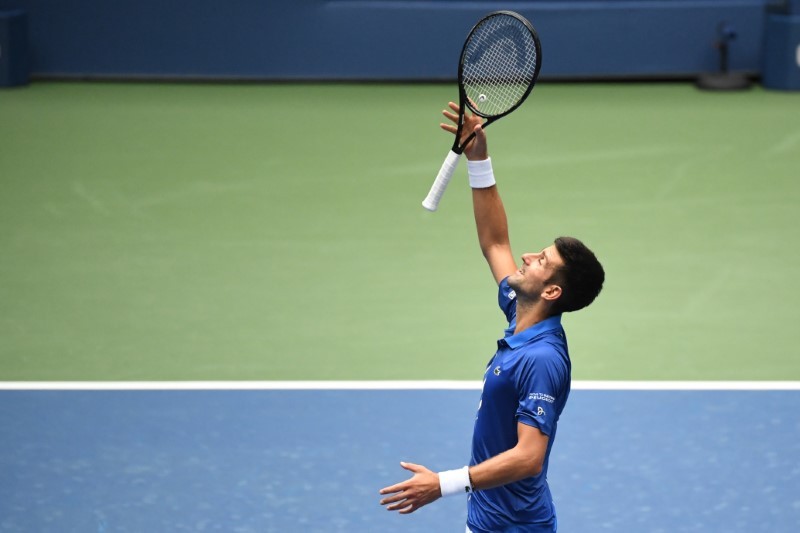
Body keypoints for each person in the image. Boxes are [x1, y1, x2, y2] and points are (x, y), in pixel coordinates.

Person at [378, 102, 605, 532]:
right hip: (489, 522)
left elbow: (528, 457)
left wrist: (441, 484)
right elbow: (496, 242)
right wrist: (478, 157)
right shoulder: (521, 312)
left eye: (541, 260)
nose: (526, 255)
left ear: (552, 291)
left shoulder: (541, 359)